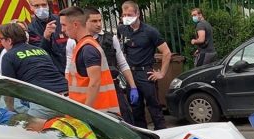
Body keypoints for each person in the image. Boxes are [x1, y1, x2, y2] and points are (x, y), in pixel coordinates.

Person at [66, 8, 139, 124]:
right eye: (94, 21)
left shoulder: (111, 38)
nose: (99, 24)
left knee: (124, 121)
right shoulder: (73, 42)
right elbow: (69, 67)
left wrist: (133, 86)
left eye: (100, 20)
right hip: (88, 93)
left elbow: (122, 63)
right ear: (85, 22)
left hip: (112, 88)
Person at [118, 0, 171, 130]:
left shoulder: (150, 31)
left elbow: (166, 52)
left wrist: (161, 73)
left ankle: (162, 134)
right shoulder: (122, 30)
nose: (126, 18)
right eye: (124, 15)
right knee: (136, 108)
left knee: (154, 107)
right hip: (131, 74)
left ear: (138, 14)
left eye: (129, 14)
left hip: (146, 73)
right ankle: (143, 136)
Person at [60, 7, 121, 117]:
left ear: (75, 24)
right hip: (97, 113)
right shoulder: (83, 46)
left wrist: (85, 113)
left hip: (97, 115)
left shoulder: (88, 49)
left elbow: (95, 83)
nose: (62, 30)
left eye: (64, 25)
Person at [26, 0, 67, 75]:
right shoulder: (31, 29)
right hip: (51, 72)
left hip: (68, 68)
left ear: (48, 5)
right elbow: (39, 54)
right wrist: (46, 37)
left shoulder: (61, 21)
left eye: (44, 5)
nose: (41, 8)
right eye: (37, 6)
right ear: (31, 7)